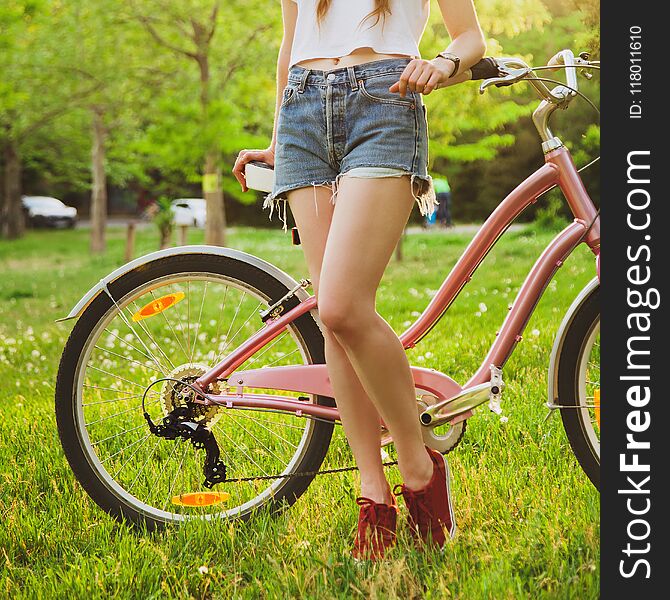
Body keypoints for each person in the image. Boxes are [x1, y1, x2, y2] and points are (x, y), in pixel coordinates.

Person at [232, 0, 485, 561]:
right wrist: (278, 138)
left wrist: (442, 63)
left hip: (385, 102)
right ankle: (372, 490)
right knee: (331, 317)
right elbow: (290, 41)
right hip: (301, 110)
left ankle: (417, 465)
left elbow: (471, 37)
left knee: (344, 305)